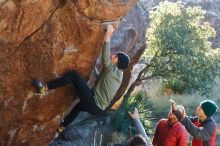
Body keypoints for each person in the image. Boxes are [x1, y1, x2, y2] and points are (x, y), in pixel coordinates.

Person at [33, 24, 130, 133]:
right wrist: (96, 73)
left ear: (118, 62)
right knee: (78, 107)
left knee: (74, 75)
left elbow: (105, 57)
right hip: (98, 109)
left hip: (93, 102)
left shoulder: (112, 70)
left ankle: (45, 88)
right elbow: (105, 82)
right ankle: (62, 127)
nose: (113, 55)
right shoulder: (119, 75)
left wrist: (108, 34)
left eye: (115, 56)